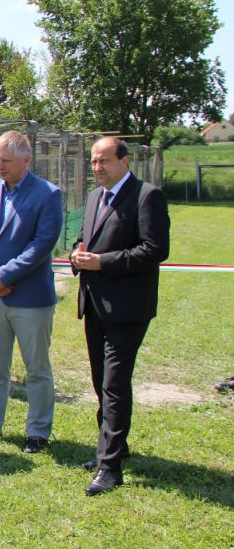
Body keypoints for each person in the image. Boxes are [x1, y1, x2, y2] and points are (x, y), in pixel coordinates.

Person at [71, 137, 169, 496]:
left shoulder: (147, 196)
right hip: (95, 304)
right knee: (101, 380)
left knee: (114, 384)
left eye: (104, 161)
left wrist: (102, 262)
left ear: (124, 161)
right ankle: (115, 446)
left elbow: (155, 249)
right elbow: (84, 238)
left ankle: (109, 468)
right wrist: (77, 253)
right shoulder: (95, 197)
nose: (97, 167)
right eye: (94, 161)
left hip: (127, 308)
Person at [0, 131, 62, 454]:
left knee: (37, 370)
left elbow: (42, 244)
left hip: (30, 298)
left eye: (6, 160)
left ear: (26, 160)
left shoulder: (48, 194)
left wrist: (4, 275)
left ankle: (38, 431)